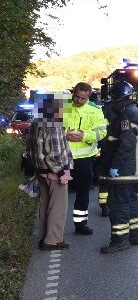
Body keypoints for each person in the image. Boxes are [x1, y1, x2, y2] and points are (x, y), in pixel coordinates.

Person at [100, 80, 138, 253]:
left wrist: (115, 166)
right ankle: (135, 235)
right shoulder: (132, 111)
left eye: (113, 98)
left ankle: (119, 240)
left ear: (118, 98)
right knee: (132, 202)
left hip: (124, 171)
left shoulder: (126, 114)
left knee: (118, 205)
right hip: (132, 171)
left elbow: (126, 143)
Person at [28, 92, 74, 250]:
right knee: (58, 207)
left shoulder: (36, 122)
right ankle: (53, 240)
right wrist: (62, 173)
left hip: (40, 171)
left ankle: (44, 237)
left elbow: (30, 149)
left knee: (45, 204)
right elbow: (54, 154)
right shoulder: (53, 124)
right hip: (54, 172)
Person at [63, 82, 107, 235]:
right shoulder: (62, 106)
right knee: (58, 194)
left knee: (83, 193)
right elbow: (49, 128)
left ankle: (80, 225)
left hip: (84, 158)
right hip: (63, 158)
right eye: (77, 97)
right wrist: (64, 135)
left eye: (83, 98)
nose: (79, 101)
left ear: (89, 97)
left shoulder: (95, 110)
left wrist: (84, 136)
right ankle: (55, 228)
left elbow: (101, 133)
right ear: (73, 92)